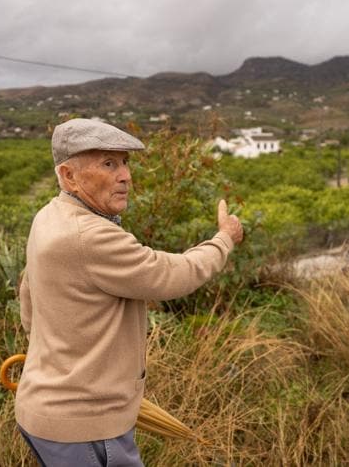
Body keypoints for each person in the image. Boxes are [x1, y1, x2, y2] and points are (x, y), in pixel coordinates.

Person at [15, 118, 243, 466]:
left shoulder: (48, 216)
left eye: (125, 163)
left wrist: (61, 361)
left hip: (48, 412)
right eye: (109, 163)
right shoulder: (89, 235)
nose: (126, 176)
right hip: (84, 426)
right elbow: (172, 275)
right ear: (68, 176)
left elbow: (28, 298)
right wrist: (224, 239)